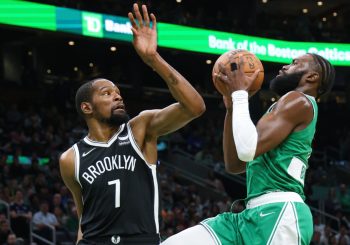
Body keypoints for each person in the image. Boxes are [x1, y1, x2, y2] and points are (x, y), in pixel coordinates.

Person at [59, 3, 205, 245]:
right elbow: (84, 220)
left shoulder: (140, 128)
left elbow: (195, 107)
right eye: (106, 93)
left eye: (117, 92)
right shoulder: (70, 159)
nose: (117, 96)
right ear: (87, 108)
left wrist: (152, 58)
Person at [162, 53, 335, 245]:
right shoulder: (284, 106)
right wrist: (231, 109)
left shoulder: (299, 100)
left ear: (312, 77)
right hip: (247, 217)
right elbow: (235, 164)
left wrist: (240, 94)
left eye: (295, 63)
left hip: (280, 212)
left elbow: (246, 150)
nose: (285, 66)